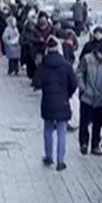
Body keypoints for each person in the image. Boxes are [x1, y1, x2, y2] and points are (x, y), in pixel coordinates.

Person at [33, 37, 78, 171]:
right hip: (63, 102)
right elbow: (74, 84)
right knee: (61, 132)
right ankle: (60, 161)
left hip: (47, 102)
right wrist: (67, 94)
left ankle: (48, 156)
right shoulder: (66, 66)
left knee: (47, 130)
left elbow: (36, 83)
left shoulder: (43, 65)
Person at [77, 41, 102, 155]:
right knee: (84, 122)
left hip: (101, 98)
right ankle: (84, 143)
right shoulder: (87, 59)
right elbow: (80, 73)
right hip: (87, 96)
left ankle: (95, 145)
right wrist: (82, 87)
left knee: (98, 123)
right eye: (101, 54)